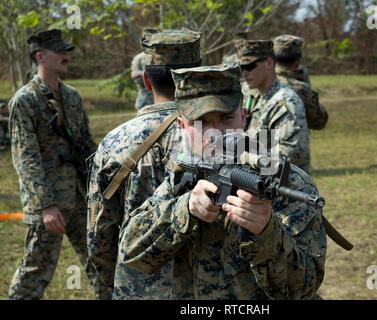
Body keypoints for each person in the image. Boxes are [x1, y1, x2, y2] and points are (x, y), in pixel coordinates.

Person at [117, 64, 327, 299]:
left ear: (244, 116)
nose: (216, 133)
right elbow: (131, 253)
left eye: (227, 118)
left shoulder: (287, 183)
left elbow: (304, 288)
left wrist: (266, 233)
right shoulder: (182, 176)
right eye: (202, 122)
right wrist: (183, 210)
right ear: (182, 126)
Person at [87, 28, 201, 299]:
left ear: (147, 82)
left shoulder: (114, 143)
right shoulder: (218, 139)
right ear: (198, 77)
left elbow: (98, 238)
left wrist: (119, 284)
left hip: (137, 289)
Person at [7, 29, 108, 299]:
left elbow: (87, 146)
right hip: (49, 203)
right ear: (40, 56)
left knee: (100, 260)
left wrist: (100, 187)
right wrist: (45, 204)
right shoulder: (24, 101)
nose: (67, 55)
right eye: (59, 51)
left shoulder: (72, 96)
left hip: (79, 195)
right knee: (36, 269)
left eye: (67, 50)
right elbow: (25, 158)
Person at [237, 40, 311, 172]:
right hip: (254, 177)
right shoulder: (250, 94)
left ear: (269, 63)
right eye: (241, 68)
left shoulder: (286, 103)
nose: (244, 73)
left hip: (283, 185)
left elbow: (290, 158)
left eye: (249, 66)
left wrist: (241, 156)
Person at [273, 35, 328, 130]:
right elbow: (319, 122)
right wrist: (306, 86)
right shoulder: (301, 89)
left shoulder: (257, 84)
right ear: (297, 62)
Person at [131, 30, 155, 111]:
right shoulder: (139, 58)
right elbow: (133, 74)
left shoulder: (162, 56)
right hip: (145, 97)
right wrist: (144, 73)